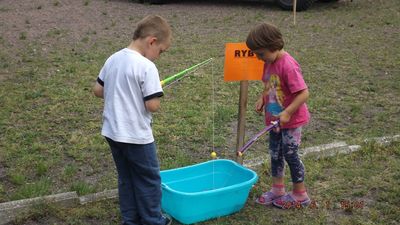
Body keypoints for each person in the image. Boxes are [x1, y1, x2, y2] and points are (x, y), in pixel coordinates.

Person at [93, 15, 172, 224]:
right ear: (152, 41)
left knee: (126, 179)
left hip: (112, 133)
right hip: (136, 136)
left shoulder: (113, 58)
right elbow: (152, 105)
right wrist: (156, 92)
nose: (158, 56)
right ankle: (153, 220)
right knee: (149, 180)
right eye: (161, 51)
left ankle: (131, 220)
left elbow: (98, 90)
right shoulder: (147, 67)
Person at [246, 22, 311, 209]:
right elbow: (269, 83)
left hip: (291, 121)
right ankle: (278, 189)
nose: (258, 58)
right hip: (274, 121)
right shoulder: (269, 61)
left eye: (260, 54)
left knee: (290, 154)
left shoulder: (288, 65)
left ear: (274, 47)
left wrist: (288, 112)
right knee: (275, 154)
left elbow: (304, 93)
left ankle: (300, 194)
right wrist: (262, 97)